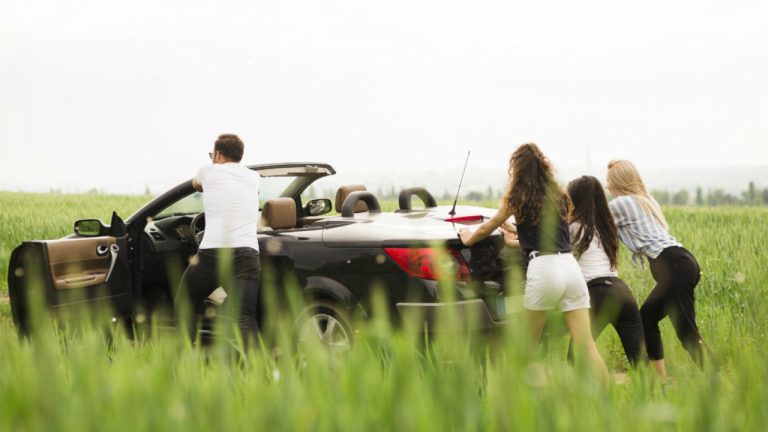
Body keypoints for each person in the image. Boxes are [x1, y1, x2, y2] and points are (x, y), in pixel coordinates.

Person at [458, 143, 609, 383]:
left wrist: (468, 238)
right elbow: (549, 234)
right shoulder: (559, 195)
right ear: (543, 166)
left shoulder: (518, 197)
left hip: (544, 271)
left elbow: (488, 226)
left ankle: (519, 398)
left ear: (517, 170)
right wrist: (517, 233)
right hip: (570, 267)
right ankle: (606, 397)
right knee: (587, 344)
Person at [606, 159, 709, 378]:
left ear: (619, 181)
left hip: (674, 266)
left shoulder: (622, 203)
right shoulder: (646, 200)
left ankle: (715, 379)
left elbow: (592, 219)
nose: (607, 186)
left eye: (609, 181)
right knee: (647, 318)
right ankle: (662, 380)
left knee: (686, 331)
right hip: (682, 261)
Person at [176, 133, 261, 347]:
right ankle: (261, 372)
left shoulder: (207, 172)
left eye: (212, 154)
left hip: (213, 253)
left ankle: (186, 358)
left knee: (183, 305)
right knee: (244, 316)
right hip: (248, 254)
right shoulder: (254, 177)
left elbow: (196, 185)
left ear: (218, 154)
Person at [566, 175, 645, 367]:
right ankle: (655, 395)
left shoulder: (574, 228)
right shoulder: (607, 228)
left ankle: (586, 396)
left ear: (575, 200)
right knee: (639, 360)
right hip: (622, 291)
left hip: (596, 294)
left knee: (576, 357)